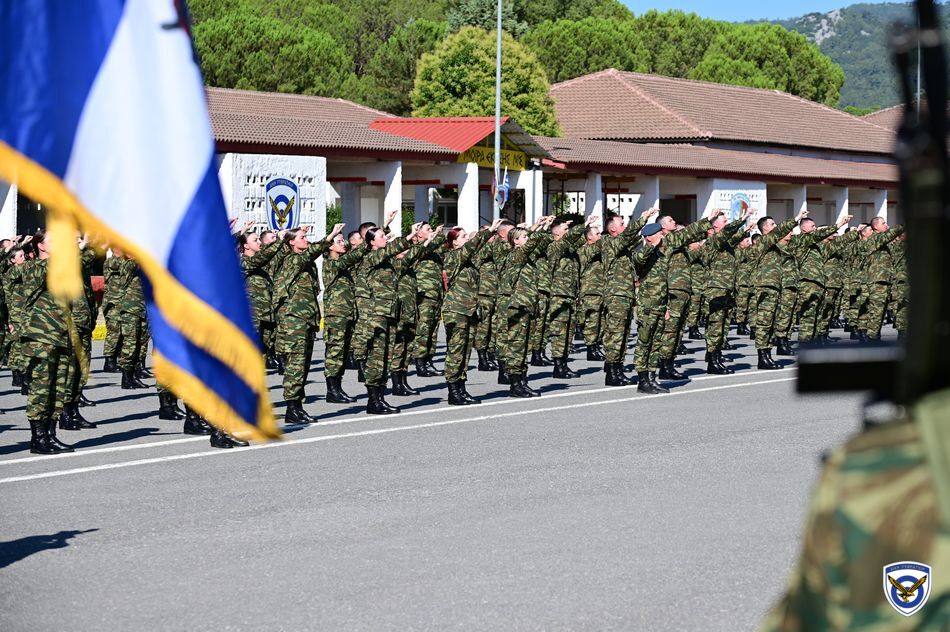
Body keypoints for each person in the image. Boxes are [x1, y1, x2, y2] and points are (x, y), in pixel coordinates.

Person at [271, 223, 343, 424]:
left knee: (303, 365)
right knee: (296, 365)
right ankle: (292, 408)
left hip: (306, 320)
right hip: (294, 321)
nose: (306, 239)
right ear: (291, 242)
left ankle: (297, 407)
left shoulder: (306, 263)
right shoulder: (292, 260)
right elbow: (312, 252)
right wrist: (330, 236)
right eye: (302, 237)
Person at [361, 222, 424, 414]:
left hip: (390, 314)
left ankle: (380, 398)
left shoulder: (387, 262)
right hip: (377, 315)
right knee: (376, 358)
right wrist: (410, 234)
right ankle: (373, 401)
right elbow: (392, 249)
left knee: (386, 357)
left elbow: (404, 255)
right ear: (372, 243)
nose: (384, 238)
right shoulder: (371, 258)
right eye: (381, 236)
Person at [20, 230, 74, 454]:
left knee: (57, 389)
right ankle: (38, 438)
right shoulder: (33, 267)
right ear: (41, 246)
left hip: (60, 336)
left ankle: (51, 435)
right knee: (41, 389)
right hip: (40, 338)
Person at [441, 219, 502, 404]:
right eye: (464, 236)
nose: (467, 238)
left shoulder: (467, 261)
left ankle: (461, 388)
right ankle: (453, 391)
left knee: (466, 351)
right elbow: (474, 246)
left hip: (469, 310)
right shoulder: (453, 257)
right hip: (456, 310)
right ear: (454, 242)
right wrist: (490, 230)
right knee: (456, 351)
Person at [499, 216, 554, 398]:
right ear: (515, 241)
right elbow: (533, 243)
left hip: (526, 307)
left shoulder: (526, 259)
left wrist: (541, 228)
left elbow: (542, 242)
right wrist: (538, 227)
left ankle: (522, 381)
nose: (528, 240)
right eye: (524, 237)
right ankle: (515, 384)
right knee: (516, 346)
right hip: (516, 308)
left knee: (524, 346)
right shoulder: (515, 255)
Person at [600, 208, 654, 386]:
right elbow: (629, 234)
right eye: (622, 224)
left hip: (625, 295)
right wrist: (643, 219)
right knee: (615, 334)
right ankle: (612, 373)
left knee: (622, 334)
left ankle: (617, 369)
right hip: (616, 295)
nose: (625, 226)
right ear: (613, 230)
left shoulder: (622, 246)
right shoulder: (610, 243)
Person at [750, 210, 806, 369]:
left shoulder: (774, 245)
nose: (776, 226)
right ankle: (762, 356)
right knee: (764, 322)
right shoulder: (763, 242)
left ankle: (767, 355)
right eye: (772, 224)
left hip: (775, 287)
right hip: (765, 287)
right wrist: (796, 219)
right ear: (765, 229)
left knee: (771, 322)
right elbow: (780, 232)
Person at [546, 215, 597, 379]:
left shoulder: (570, 251)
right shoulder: (554, 247)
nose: (568, 233)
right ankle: (558, 366)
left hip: (570, 295)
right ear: (557, 234)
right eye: (565, 230)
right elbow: (571, 238)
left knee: (568, 333)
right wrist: (585, 224)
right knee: (559, 333)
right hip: (558, 296)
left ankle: (564, 364)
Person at [789, 214, 854, 344]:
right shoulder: (800, 240)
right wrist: (840, 224)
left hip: (819, 282)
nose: (815, 228)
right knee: (808, 313)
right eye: (812, 226)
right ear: (803, 229)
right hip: (807, 281)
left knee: (817, 313)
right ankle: (806, 342)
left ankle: (815, 339)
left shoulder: (818, 245)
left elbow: (838, 243)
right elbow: (821, 234)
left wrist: (857, 233)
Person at [322, 227, 366, 404]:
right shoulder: (332, 264)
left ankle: (337, 388)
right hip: (336, 316)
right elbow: (354, 255)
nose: (344, 244)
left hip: (347, 315)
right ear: (330, 247)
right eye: (339, 241)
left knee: (341, 354)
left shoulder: (343, 264)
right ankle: (332, 390)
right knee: (335, 353)